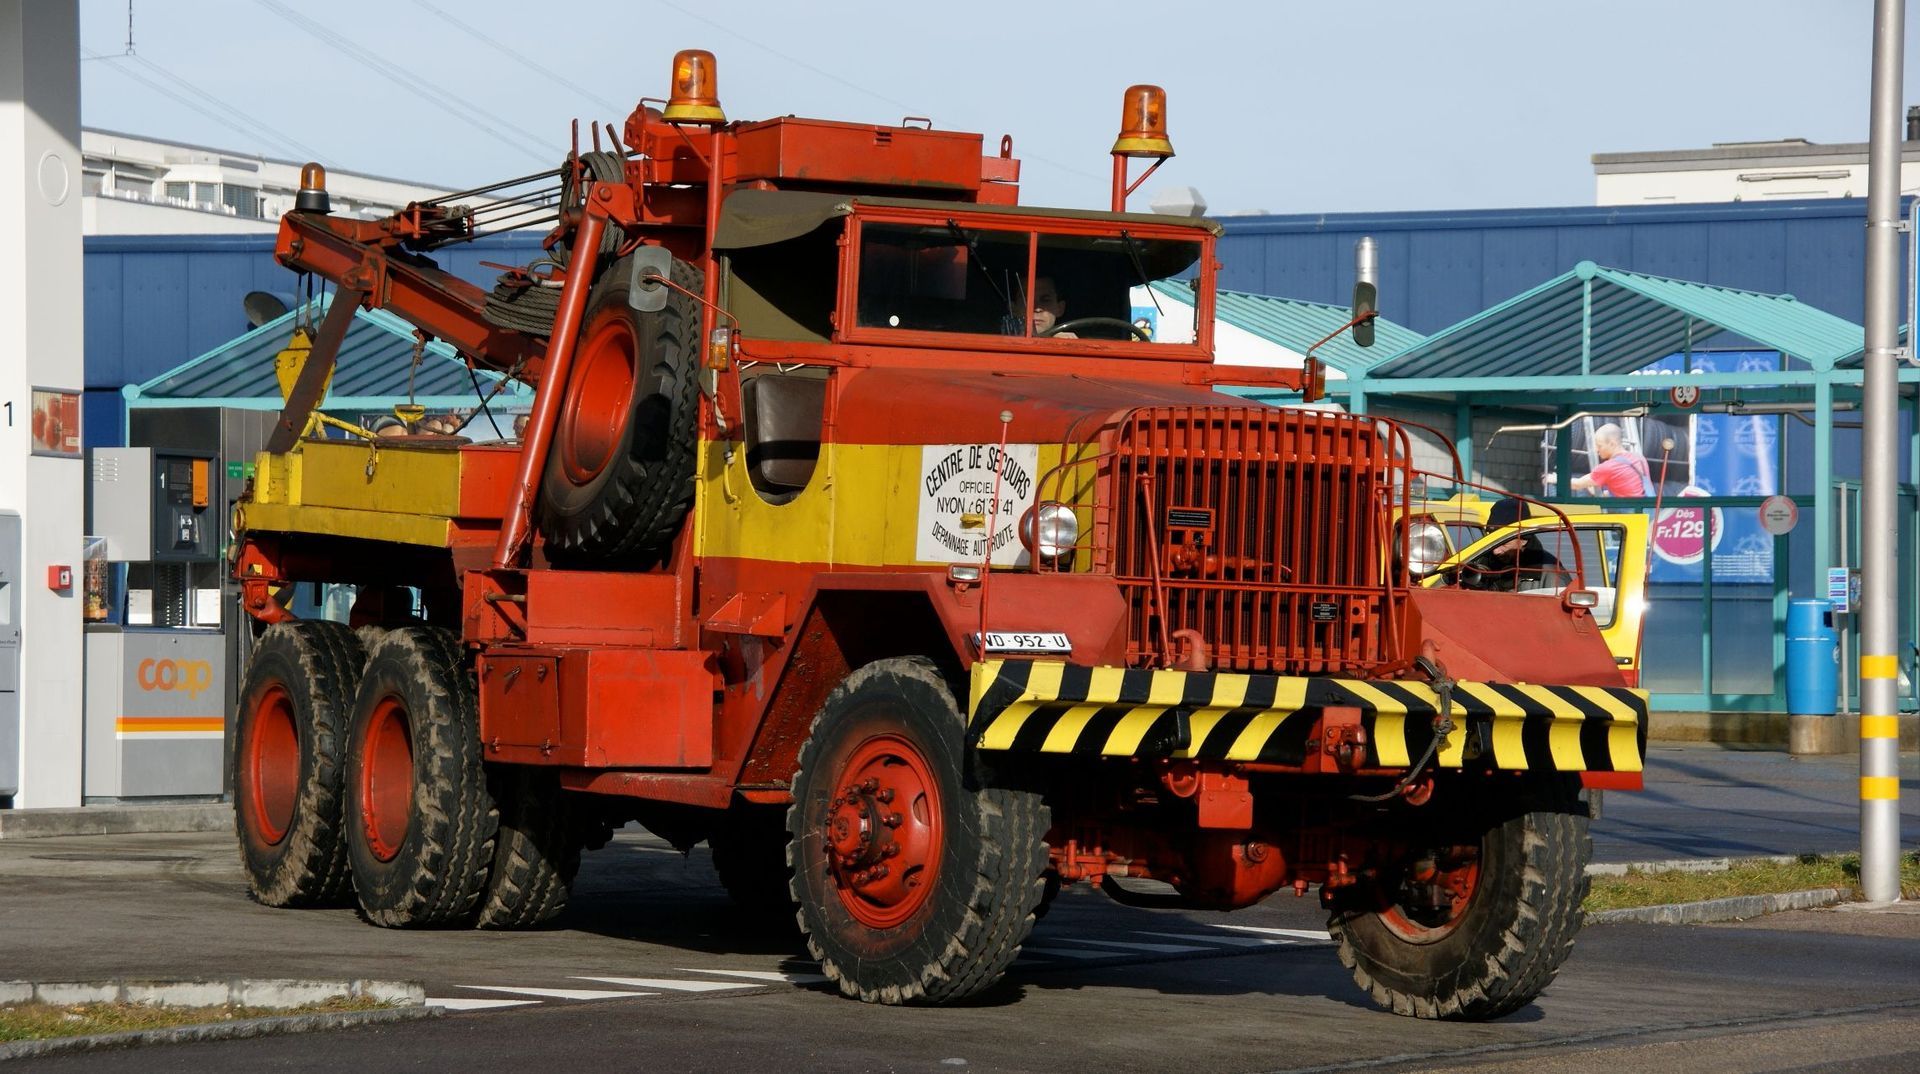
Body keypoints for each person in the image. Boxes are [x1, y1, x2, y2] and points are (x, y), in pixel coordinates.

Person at [1456, 496, 1571, 592]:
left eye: (1503, 541)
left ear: (1524, 540)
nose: (1495, 551)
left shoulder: (1551, 574)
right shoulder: (1478, 564)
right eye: (1493, 539)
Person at [1571, 422, 1651, 498]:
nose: (1596, 450)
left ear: (1612, 444)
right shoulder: (1640, 458)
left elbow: (1576, 485)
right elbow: (1631, 491)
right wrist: (1601, 494)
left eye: (1599, 445)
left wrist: (1560, 478)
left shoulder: (1609, 467)